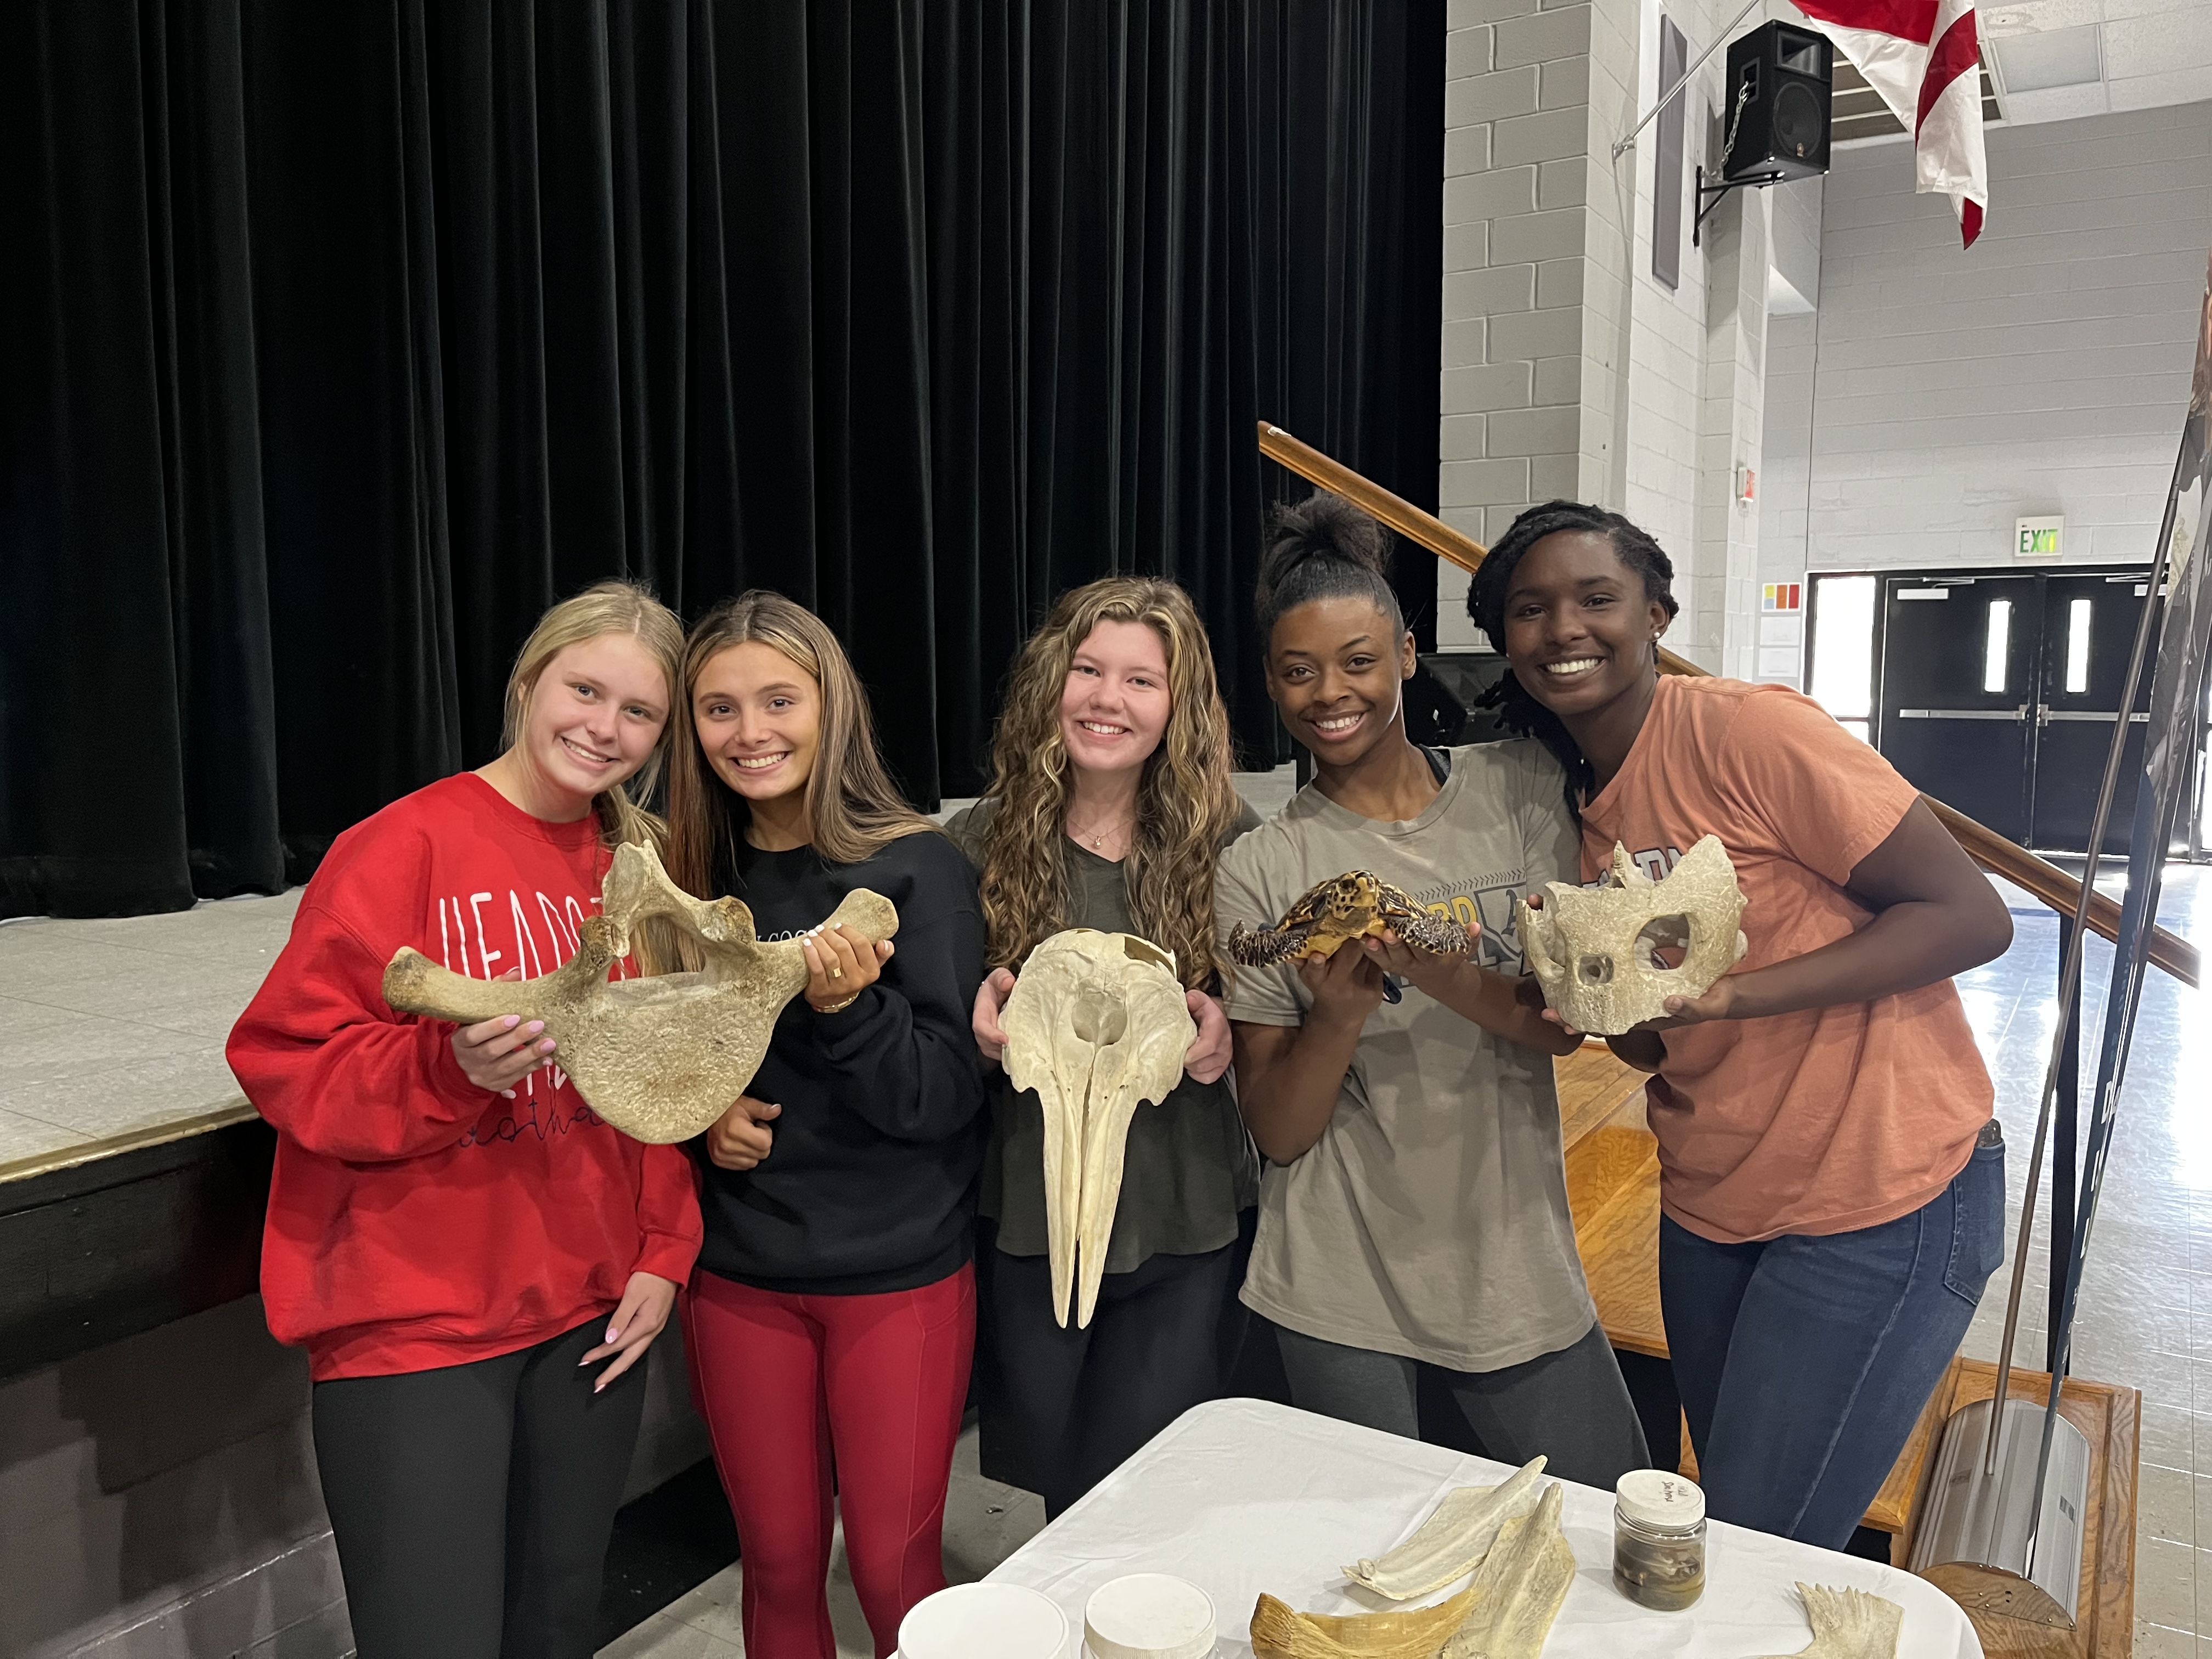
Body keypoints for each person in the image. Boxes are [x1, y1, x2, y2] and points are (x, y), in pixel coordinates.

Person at [1467, 499, 2013, 1548]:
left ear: (1657, 613)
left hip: (1879, 1199)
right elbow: (1651, 1036)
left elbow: (1970, 915)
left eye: (1595, 598)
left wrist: (1741, 993)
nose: (1564, 629)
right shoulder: (1560, 805)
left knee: (1762, 1548)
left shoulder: (1745, 730)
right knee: (1722, 1525)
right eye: (1530, 611)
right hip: (1714, 1206)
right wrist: (1584, 1006)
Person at [227, 582, 703, 1659]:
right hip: (418, 1330)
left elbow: (659, 1079)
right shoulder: (399, 846)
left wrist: (666, 1248)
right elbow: (286, 1057)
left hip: (589, 1317)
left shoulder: (634, 870)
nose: (605, 728)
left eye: (639, 714)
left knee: (555, 1626)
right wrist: (447, 1073)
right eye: (585, 690)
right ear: (529, 682)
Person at [1215, 493, 1649, 1487]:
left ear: (1408, 656)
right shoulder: (1263, 866)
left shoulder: (1520, 786)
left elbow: (1558, 1032)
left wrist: (1422, 956)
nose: (1332, 693)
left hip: (1515, 1270)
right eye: (1298, 672)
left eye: (1359, 661)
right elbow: (1278, 1133)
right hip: (1335, 1282)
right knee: (1375, 1572)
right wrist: (1336, 1013)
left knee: (1606, 1517)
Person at [664, 591, 987, 1659]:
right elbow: (661, 1058)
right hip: (744, 1276)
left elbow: (943, 1100)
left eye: (777, 700)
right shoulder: (689, 879)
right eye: (719, 708)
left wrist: (848, 1010)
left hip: (898, 1282)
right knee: (781, 1567)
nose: (750, 732)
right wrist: (700, 1119)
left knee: (898, 1577)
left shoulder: (921, 867)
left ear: (829, 706)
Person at [949, 577, 1259, 1519]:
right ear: (1053, 684)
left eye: (1140, 680)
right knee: (1063, 1482)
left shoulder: (1233, 845)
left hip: (1182, 1209)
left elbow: (1278, 1004)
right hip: (1033, 1216)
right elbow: (939, 1022)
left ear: (1179, 707)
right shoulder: (982, 843)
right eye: (1088, 670)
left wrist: (1228, 1031)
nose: (1107, 700)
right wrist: (977, 1012)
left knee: (1155, 1481)